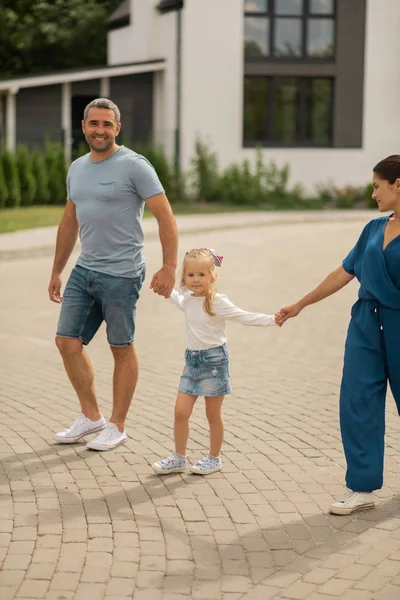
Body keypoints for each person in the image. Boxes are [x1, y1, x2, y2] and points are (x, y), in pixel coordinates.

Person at [48, 98, 178, 451]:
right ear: (84, 126)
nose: (100, 130)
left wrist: (169, 266)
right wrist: (57, 269)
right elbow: (69, 219)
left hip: (122, 274)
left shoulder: (135, 166)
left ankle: (117, 425)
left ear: (117, 128)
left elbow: (165, 216)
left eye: (107, 124)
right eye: (94, 124)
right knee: (67, 342)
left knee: (121, 347)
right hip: (84, 269)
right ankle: (92, 417)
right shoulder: (77, 168)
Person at [276, 155, 400, 515]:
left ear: (398, 184)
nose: (373, 192)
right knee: (357, 401)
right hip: (365, 323)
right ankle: (361, 488)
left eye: (377, 186)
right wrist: (301, 304)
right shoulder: (373, 229)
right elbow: (344, 272)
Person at [152, 248, 279, 475]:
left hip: (214, 362)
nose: (196, 280)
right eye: (190, 275)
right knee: (180, 412)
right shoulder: (187, 300)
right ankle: (180, 458)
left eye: (201, 274)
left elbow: (244, 316)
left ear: (213, 276)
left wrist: (273, 320)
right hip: (191, 363)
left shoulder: (218, 302)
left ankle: (214, 458)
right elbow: (174, 294)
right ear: (185, 278)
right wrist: (160, 283)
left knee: (212, 415)